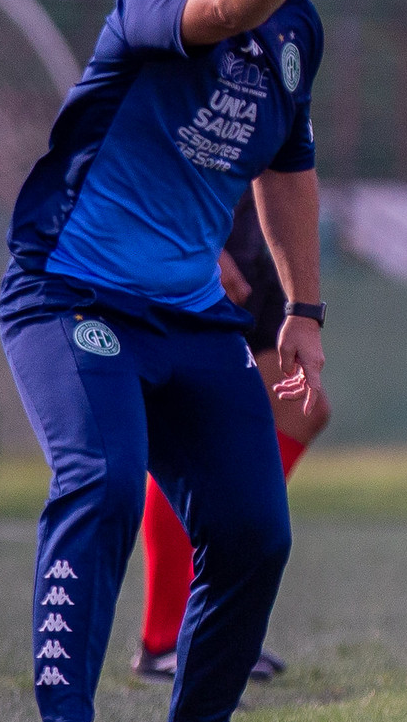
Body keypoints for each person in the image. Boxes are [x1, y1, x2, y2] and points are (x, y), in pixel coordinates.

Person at [0, 0, 333, 722]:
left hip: (192, 316)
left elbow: (286, 173)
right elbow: (210, 10)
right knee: (100, 480)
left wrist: (303, 313)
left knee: (253, 530)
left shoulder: (295, 35)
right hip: (71, 295)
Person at [131, 190, 332, 685]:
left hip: (253, 241)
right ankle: (163, 639)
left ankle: (215, 623)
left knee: (300, 413)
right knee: (192, 429)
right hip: (200, 241)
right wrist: (198, 246)